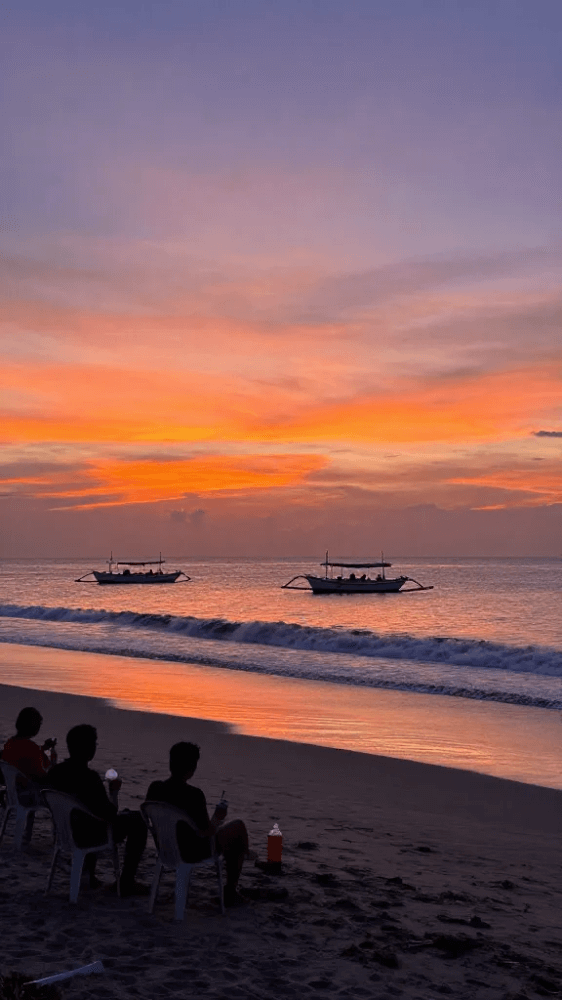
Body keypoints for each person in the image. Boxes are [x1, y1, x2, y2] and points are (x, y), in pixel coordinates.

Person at [46, 725, 147, 896]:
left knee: (91, 815)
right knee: (138, 821)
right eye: (94, 743)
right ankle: (126, 881)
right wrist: (114, 792)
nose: (95, 747)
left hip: (65, 831)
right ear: (88, 748)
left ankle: (88, 873)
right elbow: (109, 814)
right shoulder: (89, 777)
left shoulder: (55, 772)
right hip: (88, 834)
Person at [145, 742, 250, 907]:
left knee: (235, 834)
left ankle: (244, 854)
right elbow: (207, 832)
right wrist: (218, 817)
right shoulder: (194, 795)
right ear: (192, 768)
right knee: (239, 828)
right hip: (191, 851)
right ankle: (230, 891)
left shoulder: (155, 788)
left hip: (165, 849)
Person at [2, 706, 57, 783]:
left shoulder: (9, 743)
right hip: (29, 792)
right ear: (35, 727)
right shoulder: (32, 749)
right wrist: (54, 760)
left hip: (13, 791)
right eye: (39, 724)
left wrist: (44, 747)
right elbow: (44, 779)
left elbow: (22, 752)